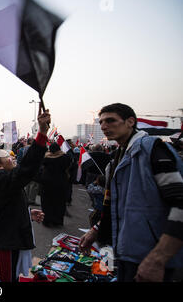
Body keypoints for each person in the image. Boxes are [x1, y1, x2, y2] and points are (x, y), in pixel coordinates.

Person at [79, 103, 183, 282]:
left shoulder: (152, 149)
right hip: (126, 253)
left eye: (111, 120)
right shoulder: (116, 159)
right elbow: (118, 206)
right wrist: (96, 230)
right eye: (102, 122)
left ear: (130, 122)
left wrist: (159, 257)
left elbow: (180, 203)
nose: (104, 126)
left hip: (153, 259)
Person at [0, 107, 50, 282]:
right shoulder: (0, 178)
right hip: (4, 243)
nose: (12, 157)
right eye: (7, 156)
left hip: (11, 237)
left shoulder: (5, 179)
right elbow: (26, 170)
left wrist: (28, 213)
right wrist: (42, 134)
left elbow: (7, 206)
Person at [37, 142, 72, 227]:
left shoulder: (46, 157)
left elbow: (40, 168)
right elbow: (69, 166)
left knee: (47, 202)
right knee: (59, 202)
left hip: (47, 182)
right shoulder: (65, 157)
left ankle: (47, 220)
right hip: (60, 182)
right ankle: (58, 221)